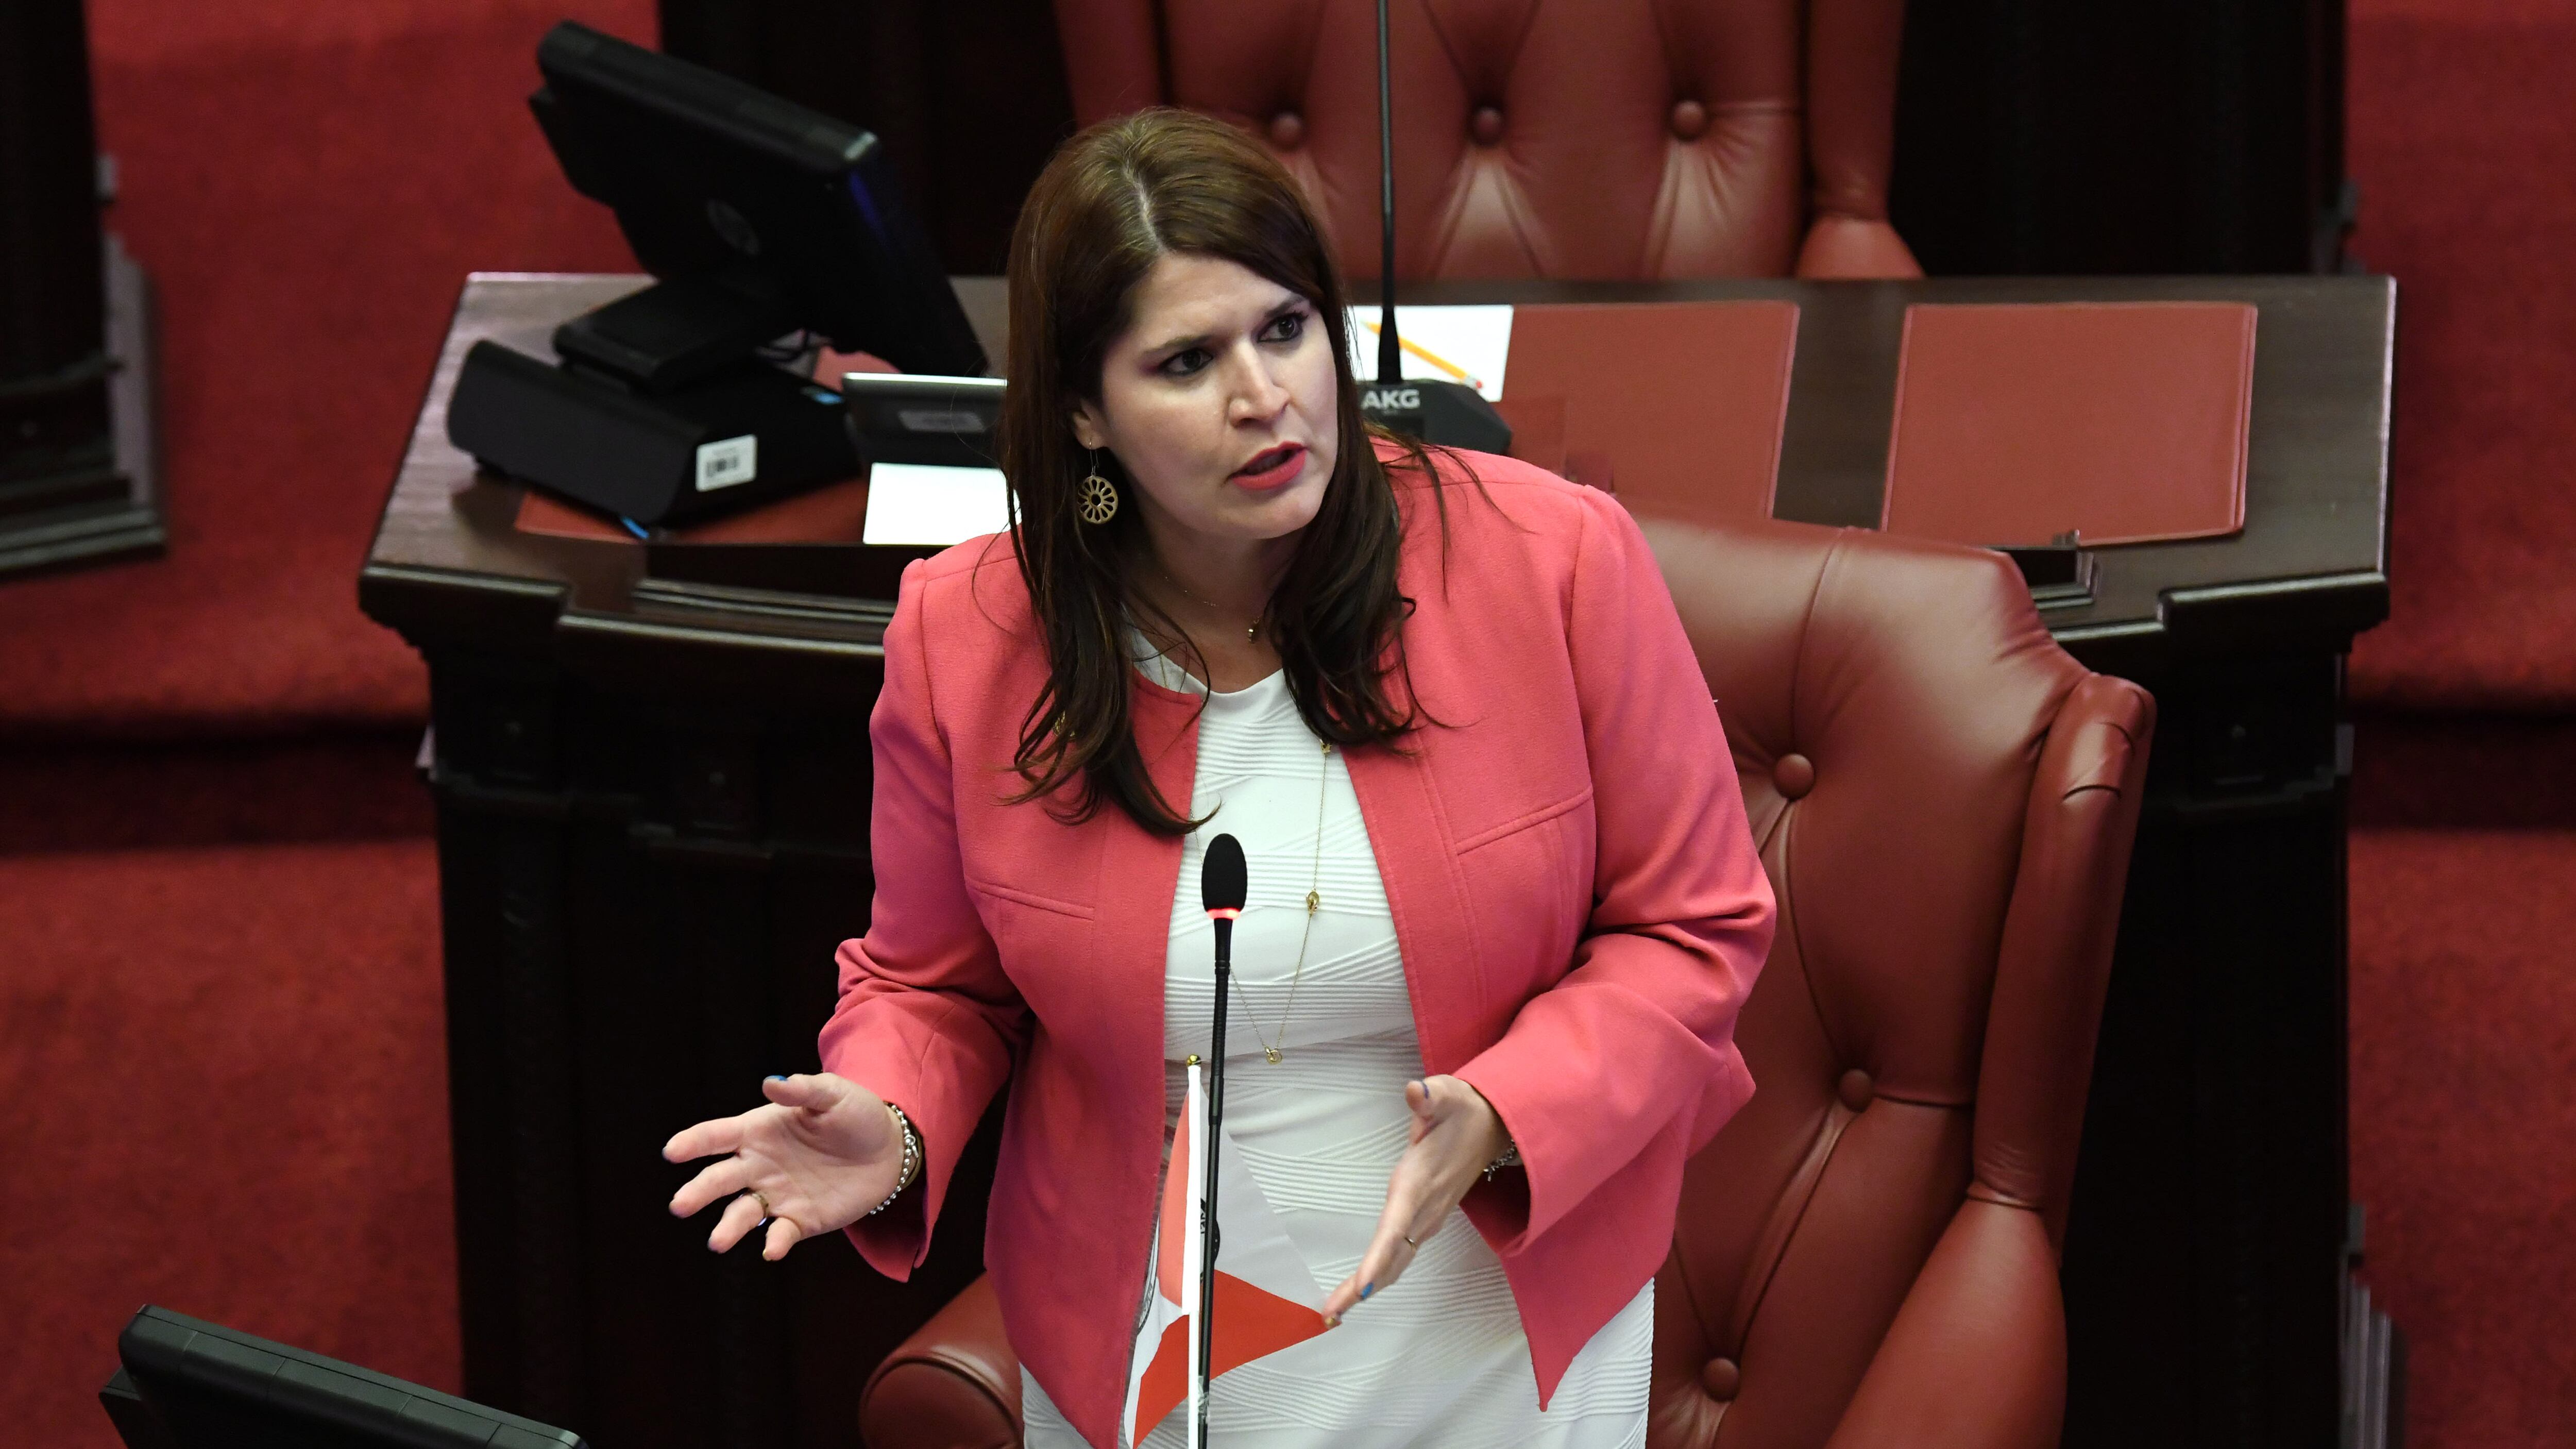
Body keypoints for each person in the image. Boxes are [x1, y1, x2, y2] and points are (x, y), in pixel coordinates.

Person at [661, 108, 1774, 1449]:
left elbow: (1695, 924)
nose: (1264, 395)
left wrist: (1508, 1108)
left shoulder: (1554, 561)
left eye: (1286, 329)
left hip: (1489, 1334)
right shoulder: (966, 635)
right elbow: (934, 984)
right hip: (1153, 1354)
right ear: (1084, 410)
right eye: (1188, 361)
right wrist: (894, 1121)